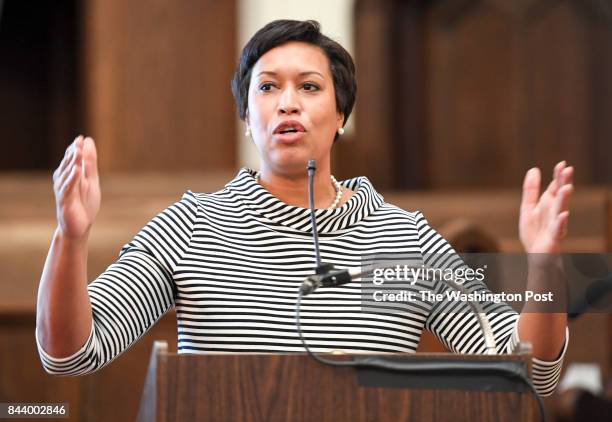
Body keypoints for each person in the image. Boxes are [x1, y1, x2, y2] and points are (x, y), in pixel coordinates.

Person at [35, 20, 572, 397]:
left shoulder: (405, 238)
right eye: (267, 88)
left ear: (341, 115)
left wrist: (545, 265)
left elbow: (525, 368)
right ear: (247, 118)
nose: (287, 102)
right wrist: (71, 238)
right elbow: (72, 353)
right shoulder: (191, 225)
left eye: (309, 87)